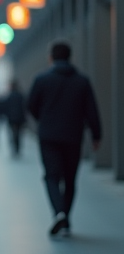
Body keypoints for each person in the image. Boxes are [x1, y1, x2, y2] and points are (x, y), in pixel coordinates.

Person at [27, 41, 101, 237]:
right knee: (69, 179)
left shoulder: (41, 79)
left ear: (51, 58)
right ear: (70, 58)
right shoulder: (82, 81)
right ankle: (66, 217)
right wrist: (96, 135)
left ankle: (59, 213)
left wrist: (43, 120)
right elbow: (91, 110)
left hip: (48, 136)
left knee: (51, 176)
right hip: (73, 136)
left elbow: (31, 105)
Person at [2, 81, 27, 158]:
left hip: (11, 118)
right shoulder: (21, 95)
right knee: (19, 134)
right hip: (20, 118)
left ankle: (14, 148)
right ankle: (17, 148)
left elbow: (5, 107)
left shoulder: (9, 96)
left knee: (13, 133)